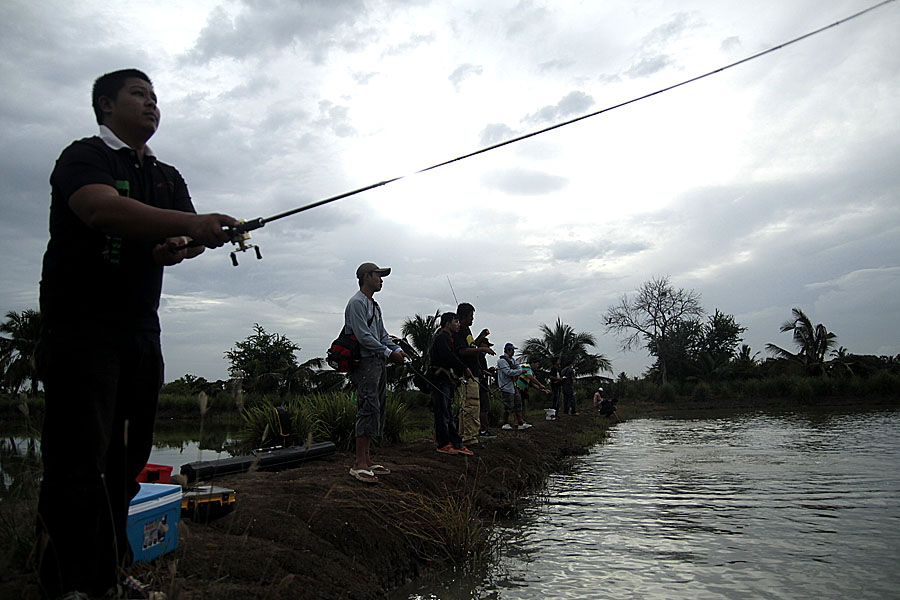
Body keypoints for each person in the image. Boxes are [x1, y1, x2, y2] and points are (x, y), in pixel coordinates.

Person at [35, 68, 238, 600]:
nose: (151, 105)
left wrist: (183, 244)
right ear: (106, 105)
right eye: (138, 95)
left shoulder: (167, 175)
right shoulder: (84, 157)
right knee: (78, 461)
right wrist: (192, 228)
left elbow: (187, 232)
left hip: (140, 333)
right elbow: (102, 210)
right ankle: (66, 585)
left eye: (155, 97)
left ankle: (108, 575)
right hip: (81, 329)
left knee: (124, 463)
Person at [344, 262, 410, 483]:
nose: (381, 279)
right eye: (378, 275)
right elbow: (363, 336)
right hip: (364, 362)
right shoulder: (356, 303)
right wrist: (389, 353)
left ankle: (368, 459)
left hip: (378, 362)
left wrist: (397, 350)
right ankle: (359, 463)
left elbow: (382, 335)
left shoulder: (375, 306)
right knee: (367, 406)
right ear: (366, 277)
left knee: (377, 407)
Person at [428, 312, 474, 455]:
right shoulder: (442, 337)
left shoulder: (449, 338)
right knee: (443, 412)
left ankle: (457, 443)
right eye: (456, 321)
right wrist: (464, 368)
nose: (458, 324)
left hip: (444, 379)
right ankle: (443, 444)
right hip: (439, 380)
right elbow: (448, 357)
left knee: (447, 411)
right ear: (447, 324)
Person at [453, 303, 495, 446]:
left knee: (470, 405)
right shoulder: (459, 331)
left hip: (473, 373)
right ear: (464, 316)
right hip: (466, 373)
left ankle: (465, 435)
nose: (472, 319)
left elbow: (470, 346)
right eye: (471, 316)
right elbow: (461, 351)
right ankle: (469, 438)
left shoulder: (467, 330)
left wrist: (480, 338)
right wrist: (481, 351)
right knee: (471, 405)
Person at [497, 343, 531, 431]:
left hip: (513, 386)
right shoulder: (501, 361)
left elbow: (518, 368)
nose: (513, 352)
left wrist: (518, 371)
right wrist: (519, 372)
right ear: (508, 350)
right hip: (506, 386)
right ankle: (505, 423)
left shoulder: (512, 360)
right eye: (512, 350)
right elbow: (508, 372)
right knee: (508, 406)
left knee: (518, 403)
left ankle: (520, 423)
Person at [477, 338, 498, 438]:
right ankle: (483, 430)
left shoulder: (480, 357)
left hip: (481, 384)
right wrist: (490, 374)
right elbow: (480, 371)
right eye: (487, 346)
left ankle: (482, 429)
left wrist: (489, 371)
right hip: (481, 385)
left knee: (482, 408)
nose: (488, 348)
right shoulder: (479, 356)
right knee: (484, 408)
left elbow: (483, 370)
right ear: (482, 345)